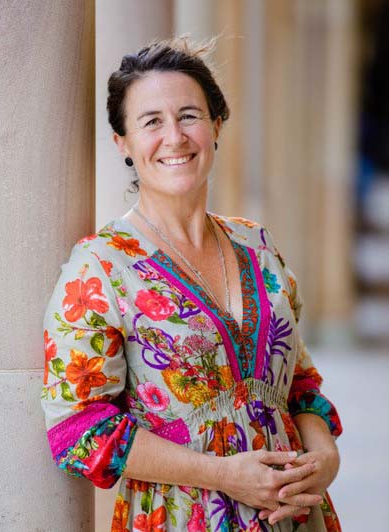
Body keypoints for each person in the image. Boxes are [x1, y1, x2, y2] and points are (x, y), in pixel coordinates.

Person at [41, 36, 343, 531]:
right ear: (123, 142)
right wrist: (222, 474)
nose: (175, 137)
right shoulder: (101, 267)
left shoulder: (257, 245)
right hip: (182, 518)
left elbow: (300, 387)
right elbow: (78, 430)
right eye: (151, 122)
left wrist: (324, 457)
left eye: (189, 115)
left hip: (297, 517)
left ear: (216, 125)